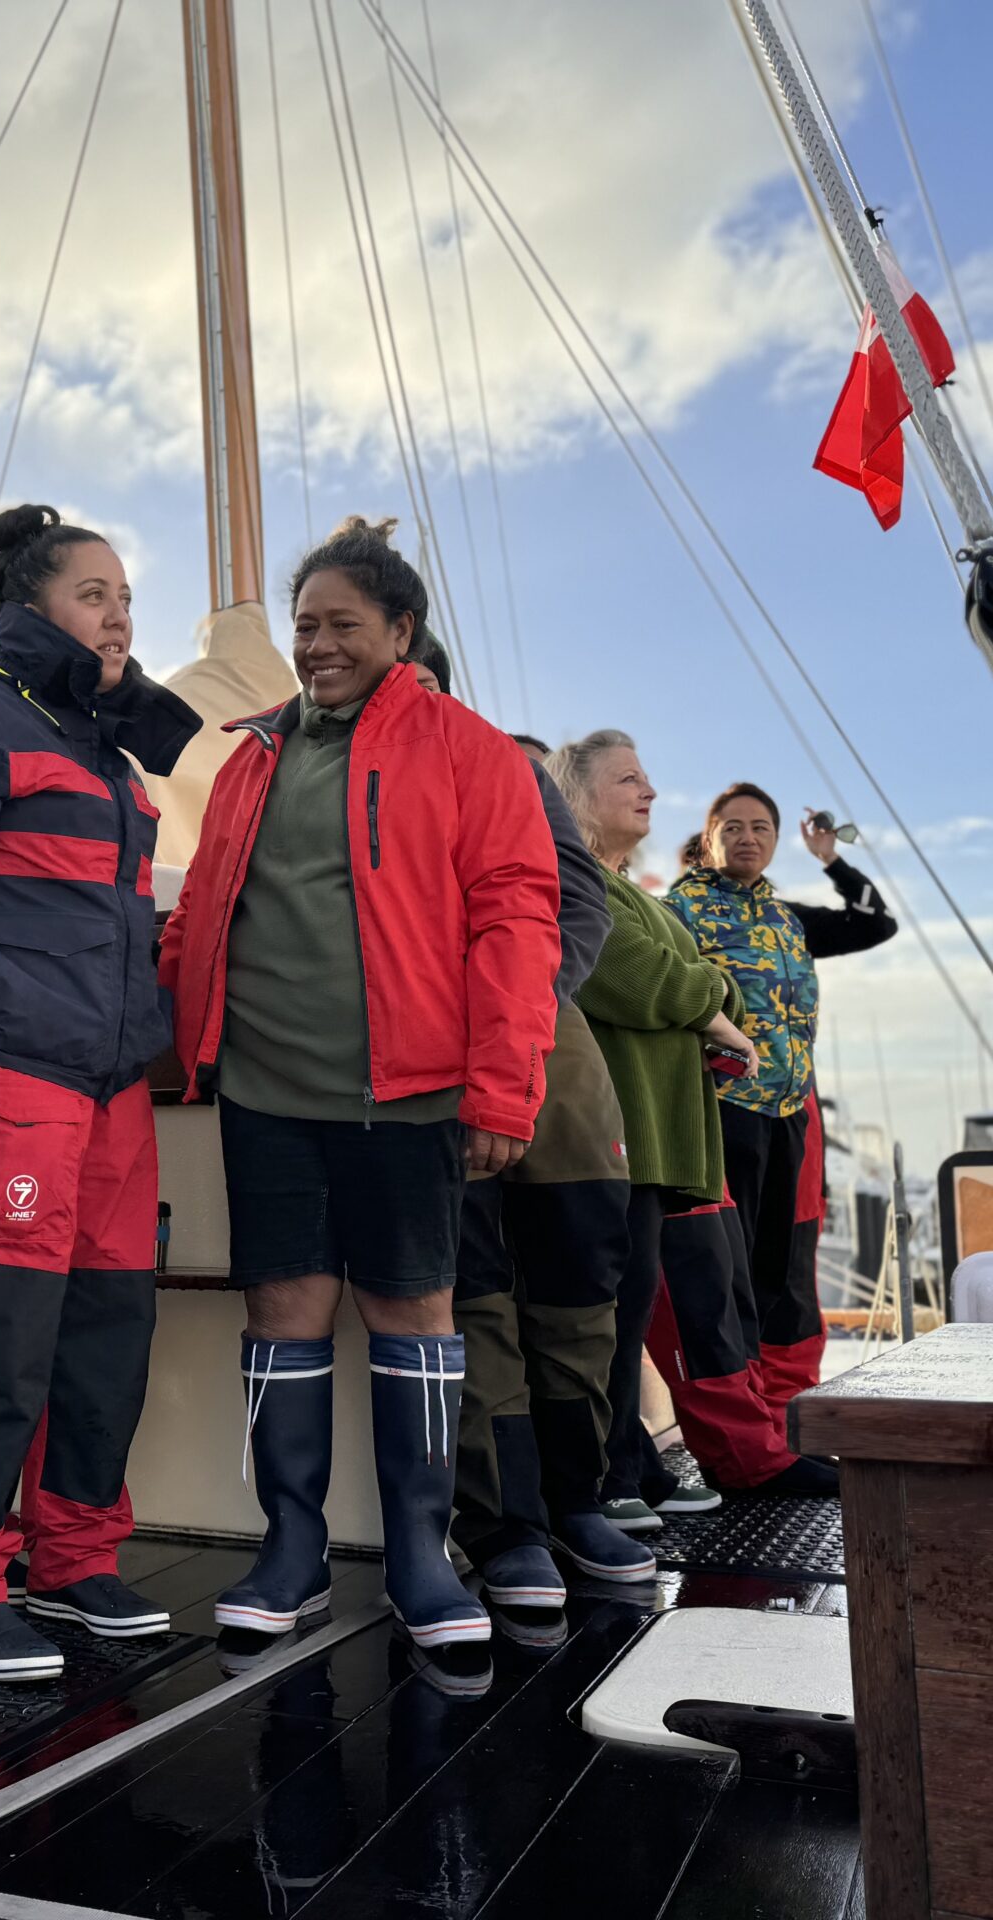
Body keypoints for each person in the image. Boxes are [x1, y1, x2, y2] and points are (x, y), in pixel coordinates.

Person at [161, 517, 561, 1652]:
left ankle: (420, 1557)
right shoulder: (250, 758)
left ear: (400, 630)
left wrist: (501, 1087)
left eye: (343, 624)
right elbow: (198, 914)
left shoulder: (471, 751)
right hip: (265, 1086)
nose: (320, 644)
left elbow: (517, 920)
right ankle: (288, 1552)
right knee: (281, 1307)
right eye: (304, 627)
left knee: (412, 1307)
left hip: (414, 1091)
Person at [0, 503, 199, 1681]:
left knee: (107, 1329)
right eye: (93, 594)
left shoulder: (109, 756)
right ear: (31, 608)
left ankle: (73, 1554)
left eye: (125, 597)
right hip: (6, 1068)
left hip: (115, 1087)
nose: (117, 616)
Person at [410, 671, 657, 1608]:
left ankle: (575, 1501)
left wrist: (532, 996)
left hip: (553, 1048)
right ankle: (504, 1522)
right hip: (431, 1058)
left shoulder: (516, 770)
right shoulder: (363, 780)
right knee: (473, 1289)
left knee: (579, 1279)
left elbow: (581, 901)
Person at [548, 733, 835, 1505]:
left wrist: (710, 1000)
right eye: (627, 778)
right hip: (644, 1129)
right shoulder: (600, 891)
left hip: (697, 1133)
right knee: (636, 1307)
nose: (648, 789)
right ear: (576, 795)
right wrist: (712, 1006)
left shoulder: (651, 897)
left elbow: (704, 984)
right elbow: (638, 980)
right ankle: (615, 1478)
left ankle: (665, 1458)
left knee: (727, 1287)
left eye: (647, 776)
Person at [667, 784, 895, 1408]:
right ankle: (738, 1409)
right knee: (729, 1264)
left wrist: (830, 858)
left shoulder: (786, 917)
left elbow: (878, 922)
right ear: (707, 838)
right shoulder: (679, 912)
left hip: (789, 1110)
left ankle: (781, 1408)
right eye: (733, 826)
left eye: (761, 827)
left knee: (781, 1266)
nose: (748, 837)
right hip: (725, 1107)